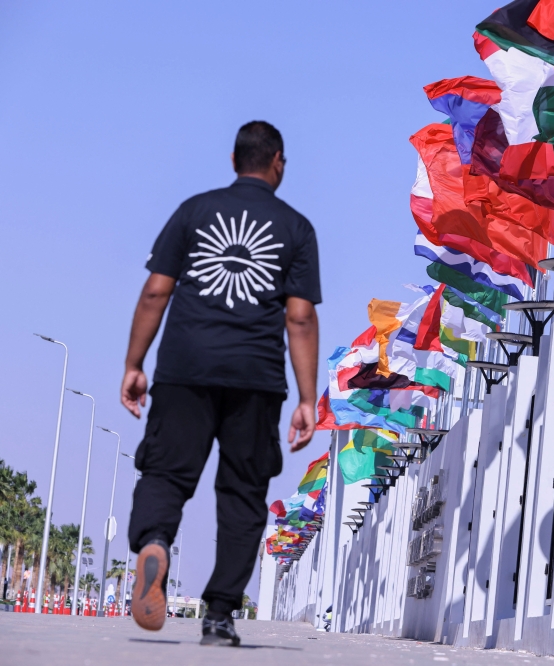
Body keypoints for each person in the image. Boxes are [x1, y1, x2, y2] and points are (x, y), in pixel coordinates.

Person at [120, 121, 320, 646]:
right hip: (256, 378)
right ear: (277, 161)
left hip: (185, 369)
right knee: (243, 493)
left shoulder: (193, 211)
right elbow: (298, 318)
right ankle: (219, 615)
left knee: (165, 473)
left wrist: (134, 364)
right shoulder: (296, 229)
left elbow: (155, 293)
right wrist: (305, 397)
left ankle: (156, 542)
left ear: (233, 161)